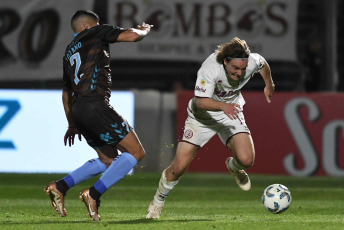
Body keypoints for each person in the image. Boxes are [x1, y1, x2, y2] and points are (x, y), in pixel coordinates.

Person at [146, 37, 275, 219]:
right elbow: (201, 101)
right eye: (235, 68)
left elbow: (263, 64)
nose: (239, 73)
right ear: (225, 61)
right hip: (202, 117)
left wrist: (269, 84)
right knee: (178, 168)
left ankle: (234, 166)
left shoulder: (251, 61)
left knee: (246, 160)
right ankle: (157, 202)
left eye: (243, 69)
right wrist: (223, 106)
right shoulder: (210, 67)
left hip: (231, 112)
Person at [44, 10, 153, 221]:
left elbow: (66, 94)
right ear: (87, 26)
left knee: (107, 159)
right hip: (95, 105)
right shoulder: (96, 32)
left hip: (78, 110)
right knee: (136, 152)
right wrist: (144, 31)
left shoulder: (68, 53)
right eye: (97, 23)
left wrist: (72, 123)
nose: (100, 25)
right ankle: (93, 194)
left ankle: (60, 186)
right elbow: (132, 35)